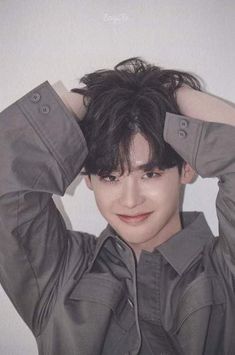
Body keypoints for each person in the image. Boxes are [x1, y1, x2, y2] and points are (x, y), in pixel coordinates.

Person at [0, 57, 235, 355]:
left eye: (150, 174)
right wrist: (95, 97)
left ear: (186, 170)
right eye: (110, 176)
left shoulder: (226, 270)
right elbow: (6, 172)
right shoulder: (57, 275)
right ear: (88, 180)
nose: (130, 199)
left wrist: (170, 95)